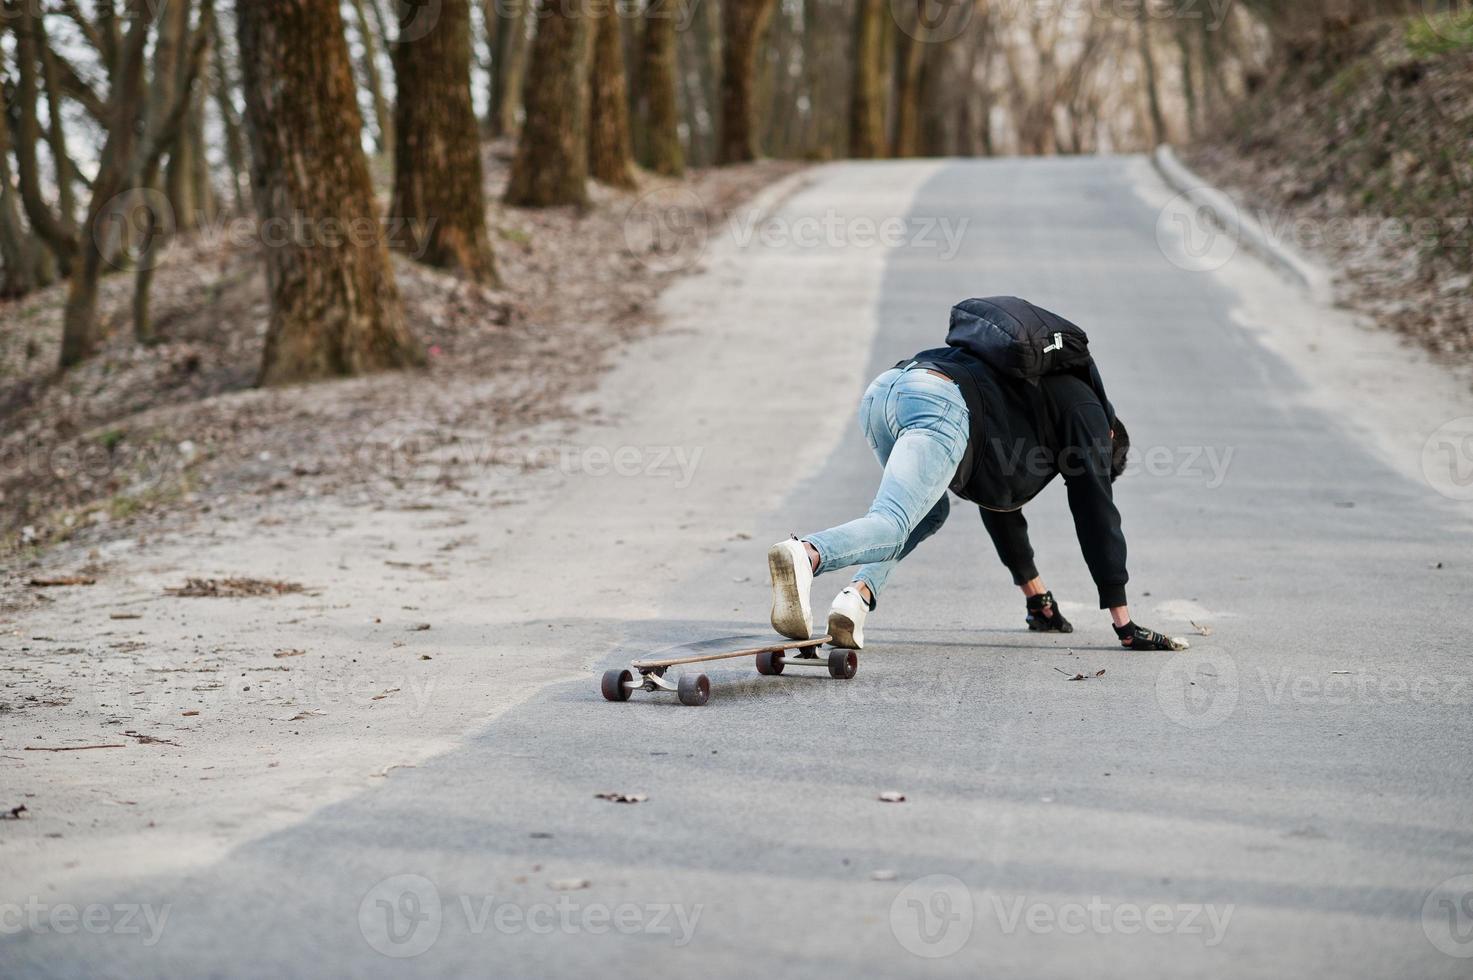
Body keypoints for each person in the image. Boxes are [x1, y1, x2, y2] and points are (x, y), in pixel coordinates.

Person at [767, 296, 1188, 653]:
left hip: (889, 389)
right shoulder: (1091, 417)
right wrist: (1124, 623)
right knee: (893, 524)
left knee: (927, 513)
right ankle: (807, 554)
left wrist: (1036, 596)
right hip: (938, 404)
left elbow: (999, 501)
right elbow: (1097, 512)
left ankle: (856, 598)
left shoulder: (1042, 393)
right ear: (1111, 439)